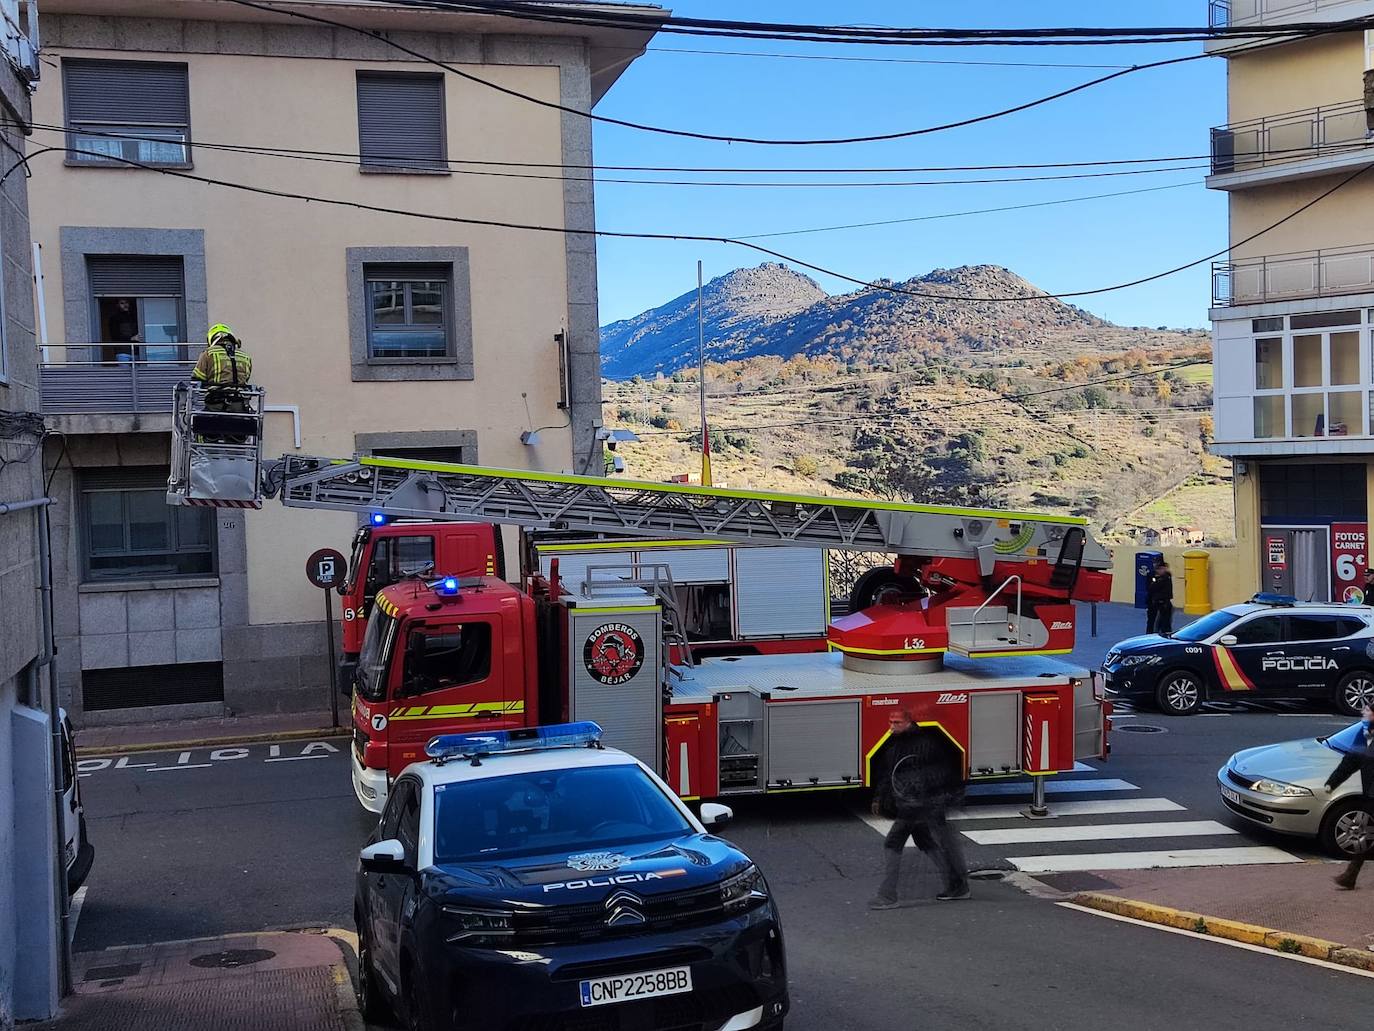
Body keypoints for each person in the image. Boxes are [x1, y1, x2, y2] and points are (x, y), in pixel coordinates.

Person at [868, 709, 969, 909]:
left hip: (916, 805)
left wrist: (913, 796)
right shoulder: (900, 743)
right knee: (927, 842)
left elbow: (934, 774)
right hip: (920, 804)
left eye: (896, 722)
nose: (891, 726)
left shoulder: (922, 745)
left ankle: (888, 895)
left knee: (892, 843)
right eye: (890, 722)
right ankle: (957, 885)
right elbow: (889, 773)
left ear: (908, 722)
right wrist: (880, 797)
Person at [1326, 702, 1374, 890]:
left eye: (1368, 710)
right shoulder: (1364, 735)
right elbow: (1351, 761)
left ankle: (1350, 875)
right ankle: (1350, 876)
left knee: (1366, 834)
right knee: (1366, 834)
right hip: (1370, 795)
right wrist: (1332, 782)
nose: (1364, 712)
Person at [192, 323, 252, 390]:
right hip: (241, 397)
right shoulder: (245, 356)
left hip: (216, 396)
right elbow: (246, 377)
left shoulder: (209, 353)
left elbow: (197, 377)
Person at [1146, 558, 1174, 635]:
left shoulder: (1167, 576)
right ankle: (1150, 635)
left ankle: (1166, 635)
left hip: (1164, 602)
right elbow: (1151, 588)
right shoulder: (1151, 575)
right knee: (1152, 621)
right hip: (1153, 602)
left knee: (1165, 621)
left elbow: (1163, 589)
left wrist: (1157, 581)